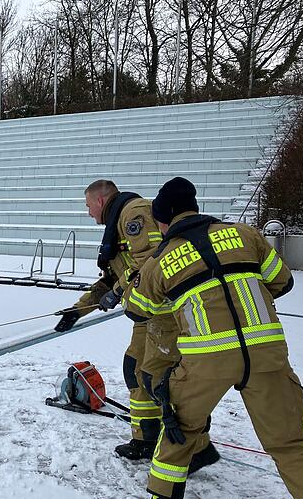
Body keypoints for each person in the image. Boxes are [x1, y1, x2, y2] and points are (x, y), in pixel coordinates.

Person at [123, 176, 303, 499]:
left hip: (205, 360)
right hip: (267, 355)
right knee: (291, 444)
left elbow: (139, 309)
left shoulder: (161, 261)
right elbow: (282, 281)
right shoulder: (245, 235)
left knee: (181, 426)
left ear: (162, 221)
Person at [55, 179, 217, 468]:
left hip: (164, 311)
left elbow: (151, 261)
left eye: (88, 205)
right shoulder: (117, 222)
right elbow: (113, 277)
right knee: (136, 370)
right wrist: (77, 310)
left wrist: (117, 292)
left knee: (161, 378)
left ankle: (197, 446)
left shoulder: (134, 214)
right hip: (147, 312)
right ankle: (146, 439)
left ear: (101, 201)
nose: (88, 212)